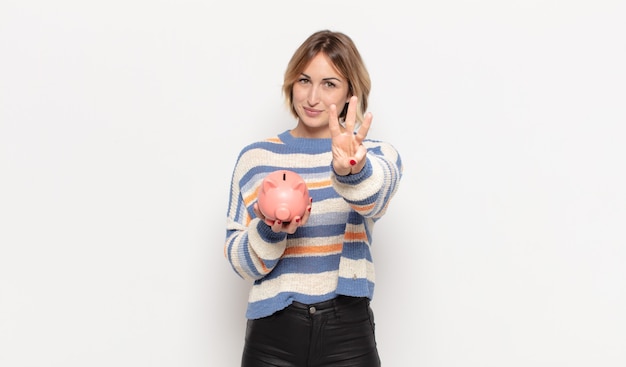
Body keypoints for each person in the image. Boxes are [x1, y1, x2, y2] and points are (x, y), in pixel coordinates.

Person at [224, 29, 403, 367]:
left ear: (351, 92)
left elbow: (374, 199)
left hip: (348, 333)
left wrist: (352, 169)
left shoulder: (375, 155)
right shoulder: (256, 158)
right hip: (272, 335)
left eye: (329, 84)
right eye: (304, 80)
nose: (312, 97)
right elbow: (240, 262)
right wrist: (271, 230)